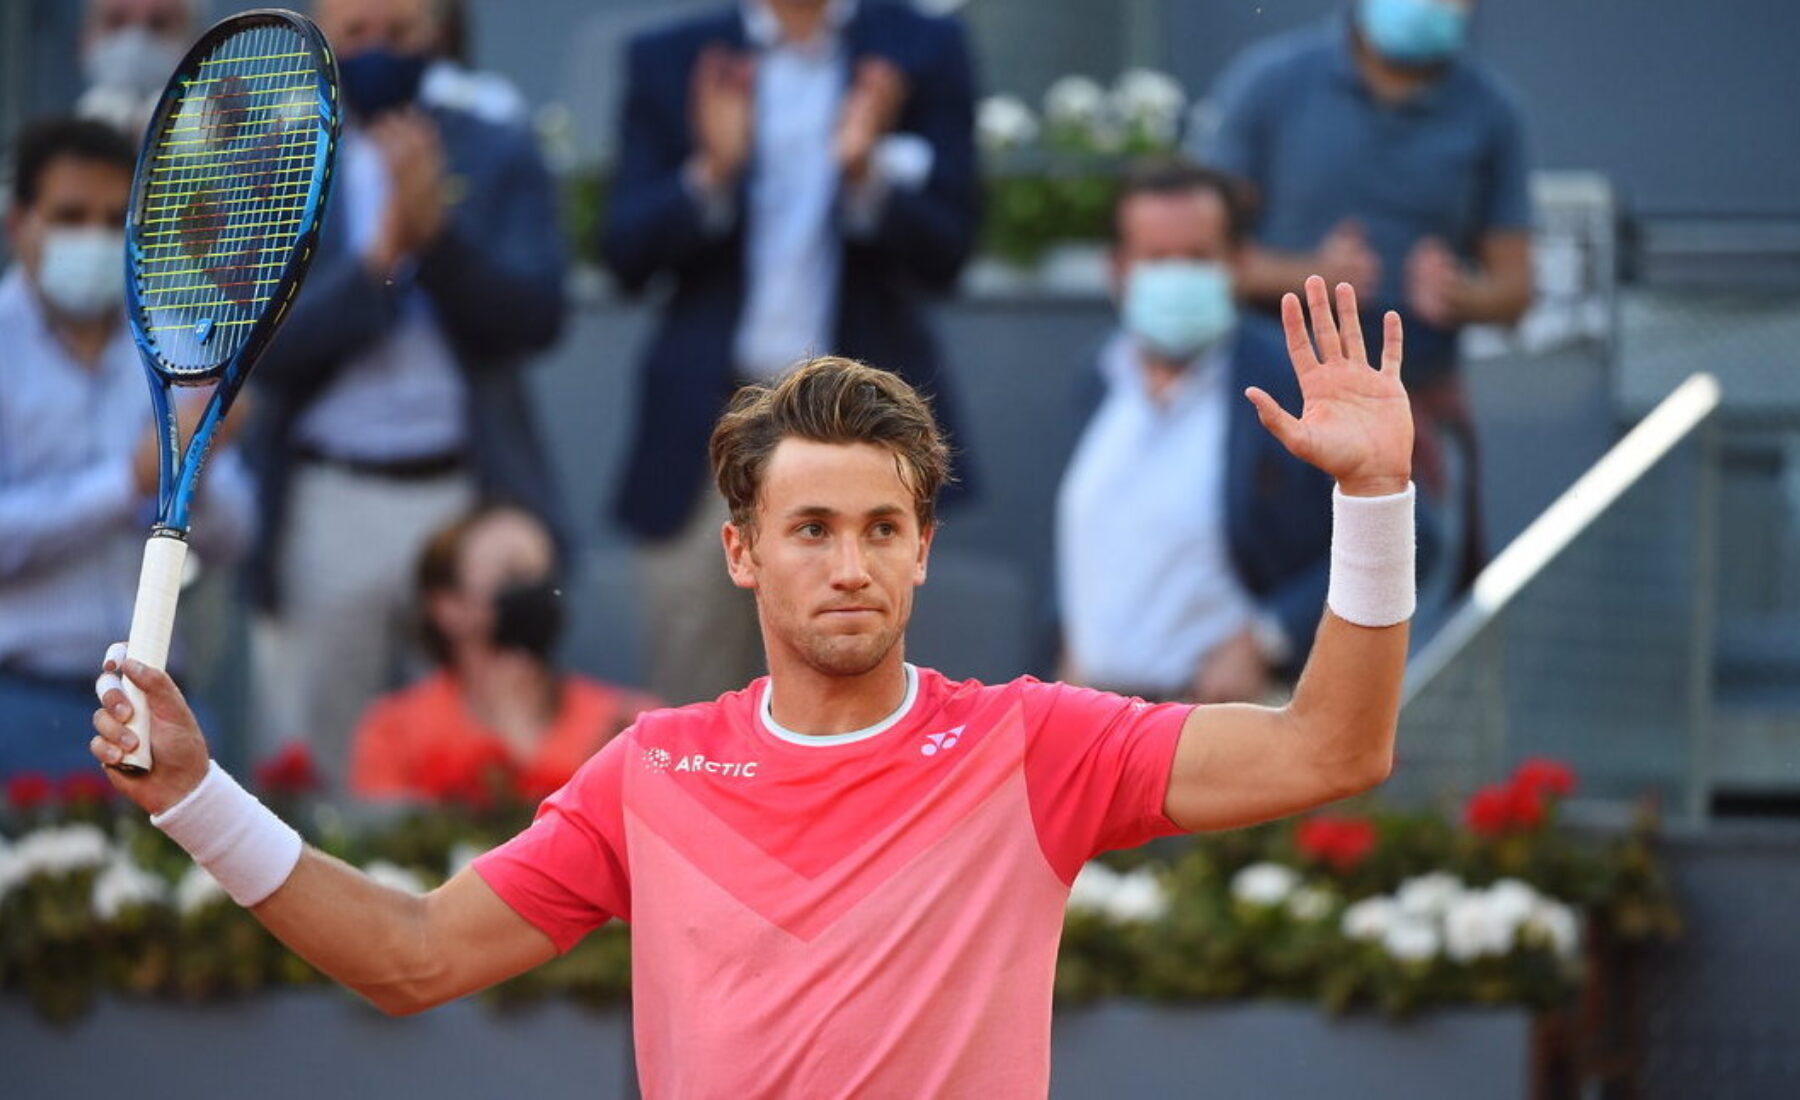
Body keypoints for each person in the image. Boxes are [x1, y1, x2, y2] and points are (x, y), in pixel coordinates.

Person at [92, 276, 1418, 1095]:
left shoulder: (1034, 743)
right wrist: (197, 796)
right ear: (741, 552)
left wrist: (1374, 498)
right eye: (811, 528)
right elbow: (412, 956)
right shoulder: (652, 770)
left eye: (883, 529)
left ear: (922, 549)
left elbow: (1332, 749)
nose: (850, 565)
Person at [602, 0, 980, 706]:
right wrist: (712, 170)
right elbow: (624, 252)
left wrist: (866, 171)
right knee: (697, 691)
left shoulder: (917, 48)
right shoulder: (676, 56)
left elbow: (950, 250)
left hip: (863, 430)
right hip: (709, 426)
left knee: (861, 677)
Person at [244, 0, 568, 792]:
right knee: (315, 762)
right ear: (323, 37)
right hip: (328, 494)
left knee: (474, 756)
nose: (379, 51)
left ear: (438, 37)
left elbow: (537, 316)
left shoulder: (495, 145)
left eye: (400, 33)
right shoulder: (280, 156)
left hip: (463, 494)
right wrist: (382, 262)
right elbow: (259, 351)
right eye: (356, 34)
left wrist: (438, 244)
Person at [1194, 0, 1532, 607]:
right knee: (1270, 604)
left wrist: (1462, 293)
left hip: (1413, 415)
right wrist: (1308, 274)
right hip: (1274, 417)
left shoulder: (1492, 109)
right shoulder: (1271, 82)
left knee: (1398, 604)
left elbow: (1516, 289)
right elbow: (1199, 254)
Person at [0, 117, 251, 778]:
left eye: (116, 220)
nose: (95, 237)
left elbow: (235, 535)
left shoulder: (181, 342)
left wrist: (198, 471)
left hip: (159, 705)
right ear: (18, 224)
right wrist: (129, 481)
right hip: (17, 699)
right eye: (70, 216)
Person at [1057, 158, 1336, 704]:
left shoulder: (1291, 379)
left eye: (1198, 258)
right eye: (1157, 259)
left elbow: (1403, 530)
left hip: (1228, 720)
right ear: (1118, 269)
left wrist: (1269, 637)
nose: (1177, 277)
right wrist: (1065, 644)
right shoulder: (1100, 377)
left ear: (1239, 263)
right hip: (1099, 719)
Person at [349, 505, 659, 805]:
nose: (534, 591)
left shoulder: (628, 722)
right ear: (448, 607)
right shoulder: (396, 732)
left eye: (544, 575)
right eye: (512, 576)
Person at [75, 0, 200, 137]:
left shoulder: (208, 132)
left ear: (195, 40)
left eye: (158, 24)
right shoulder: (62, 141)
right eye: (116, 22)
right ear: (84, 38)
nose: (135, 39)